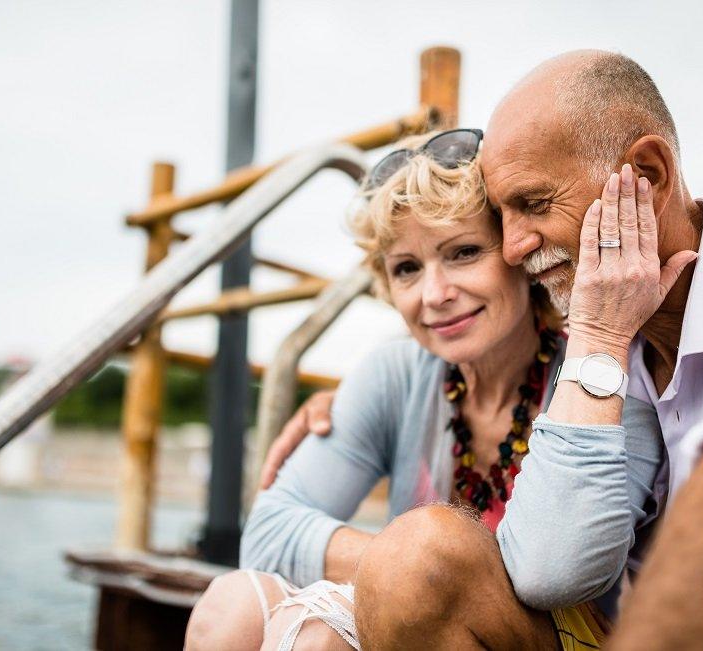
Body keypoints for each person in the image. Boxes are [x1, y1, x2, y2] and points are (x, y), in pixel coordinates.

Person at [276, 50, 703, 649]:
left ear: (649, 175)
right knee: (314, 594)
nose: (513, 248)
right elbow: (544, 567)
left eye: (532, 204)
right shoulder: (609, 341)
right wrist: (600, 340)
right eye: (499, 219)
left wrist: (599, 338)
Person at [185, 129, 668, 650]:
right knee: (229, 607)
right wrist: (410, 572)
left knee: (321, 635)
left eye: (463, 252)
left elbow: (558, 572)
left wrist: (417, 570)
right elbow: (267, 533)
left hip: (569, 638)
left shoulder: (603, 370)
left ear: (516, 253)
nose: (435, 295)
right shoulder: (398, 373)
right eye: (407, 269)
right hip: (418, 628)